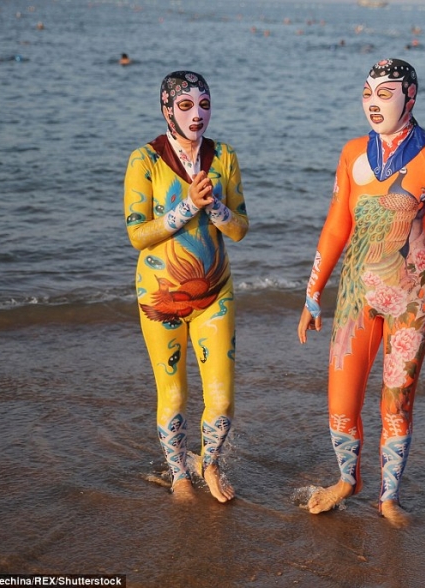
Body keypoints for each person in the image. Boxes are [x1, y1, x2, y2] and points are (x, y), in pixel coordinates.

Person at [297, 58, 425, 528]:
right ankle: (347, 480)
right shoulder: (352, 153)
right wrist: (313, 292)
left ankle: (388, 497)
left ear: (409, 98)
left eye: (385, 94)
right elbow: (336, 227)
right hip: (357, 293)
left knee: (397, 400)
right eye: (368, 93)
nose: (373, 103)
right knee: (340, 402)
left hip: (413, 298)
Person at [123, 71, 249, 503]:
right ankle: (179, 475)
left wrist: (214, 208)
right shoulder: (146, 160)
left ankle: (209, 465)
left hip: (216, 294)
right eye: (185, 105)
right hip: (160, 298)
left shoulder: (225, 156)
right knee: (173, 393)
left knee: (222, 398)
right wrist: (186, 207)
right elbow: (137, 235)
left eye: (205, 104)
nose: (198, 115)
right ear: (166, 109)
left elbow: (240, 230)